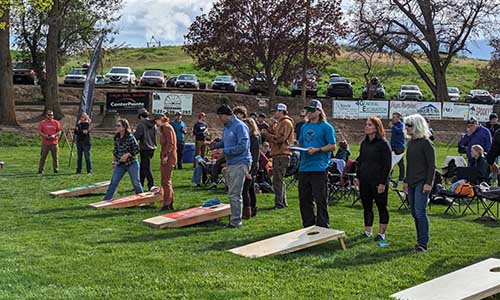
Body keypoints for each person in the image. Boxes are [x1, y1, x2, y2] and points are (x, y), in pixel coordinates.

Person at [297, 100, 336, 228]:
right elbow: (302, 143)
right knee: (304, 198)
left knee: (320, 198)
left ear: (319, 111)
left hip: (319, 166)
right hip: (304, 166)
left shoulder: (326, 127)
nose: (309, 112)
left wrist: (318, 150)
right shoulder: (304, 127)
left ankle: (323, 225)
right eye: (308, 110)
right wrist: (295, 147)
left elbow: (332, 146)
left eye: (312, 110)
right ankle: (308, 224)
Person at [211, 105, 252, 228]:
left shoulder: (239, 126)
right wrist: (216, 145)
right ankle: (235, 218)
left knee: (235, 194)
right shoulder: (227, 127)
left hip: (240, 162)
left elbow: (243, 146)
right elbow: (225, 142)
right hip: (231, 163)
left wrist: (225, 151)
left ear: (226, 115)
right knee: (232, 193)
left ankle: (236, 222)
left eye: (220, 116)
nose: (219, 119)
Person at [354, 117, 392, 241]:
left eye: (370, 125)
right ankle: (368, 231)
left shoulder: (383, 144)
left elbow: (387, 165)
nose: (366, 126)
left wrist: (382, 183)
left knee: (381, 206)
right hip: (365, 180)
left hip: (378, 181)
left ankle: (381, 233)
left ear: (376, 128)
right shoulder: (364, 143)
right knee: (367, 206)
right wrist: (357, 177)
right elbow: (361, 161)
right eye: (366, 124)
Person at [403, 114, 435, 252]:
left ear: (417, 126)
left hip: (422, 182)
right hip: (411, 182)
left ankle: (423, 243)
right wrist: (405, 181)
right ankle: (419, 239)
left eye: (409, 125)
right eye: (406, 125)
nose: (407, 128)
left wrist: (429, 183)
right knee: (414, 212)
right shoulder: (410, 143)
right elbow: (409, 164)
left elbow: (431, 165)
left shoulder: (426, 143)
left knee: (420, 211)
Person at [262, 103, 295, 209]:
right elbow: (274, 133)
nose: (274, 113)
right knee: (279, 179)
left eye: (276, 111)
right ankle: (282, 202)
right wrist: (271, 126)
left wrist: (267, 135)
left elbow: (280, 138)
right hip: (279, 154)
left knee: (277, 180)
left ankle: (279, 203)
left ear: (282, 111)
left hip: (282, 154)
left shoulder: (285, 122)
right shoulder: (280, 123)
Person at [103, 119, 143, 200]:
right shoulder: (117, 137)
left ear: (124, 127)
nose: (116, 127)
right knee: (113, 182)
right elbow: (115, 151)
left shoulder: (130, 137)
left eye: (118, 126)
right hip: (120, 164)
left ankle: (141, 199)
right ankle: (106, 200)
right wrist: (114, 162)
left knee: (136, 183)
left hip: (131, 163)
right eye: (116, 125)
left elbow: (137, 149)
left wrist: (128, 154)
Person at [156, 115, 177, 211]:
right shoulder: (165, 128)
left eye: (157, 120)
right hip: (167, 156)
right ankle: (169, 201)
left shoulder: (166, 127)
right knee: (166, 180)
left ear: (161, 120)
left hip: (168, 157)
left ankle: (167, 203)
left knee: (166, 181)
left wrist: (166, 156)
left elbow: (170, 143)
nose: (156, 123)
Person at [134, 108, 157, 191]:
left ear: (140, 116)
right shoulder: (153, 124)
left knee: (146, 168)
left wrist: (133, 133)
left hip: (145, 148)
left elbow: (137, 136)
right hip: (152, 148)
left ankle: (151, 185)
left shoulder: (141, 124)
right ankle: (140, 183)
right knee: (143, 167)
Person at [242, 118, 261, 218]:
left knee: (245, 189)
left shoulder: (254, 138)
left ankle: (247, 210)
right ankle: (253, 209)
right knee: (250, 189)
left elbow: (255, 155)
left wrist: (251, 171)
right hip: (249, 165)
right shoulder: (248, 137)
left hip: (252, 166)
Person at [38, 110, 63, 174]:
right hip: (45, 143)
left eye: (51, 115)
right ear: (46, 115)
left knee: (55, 157)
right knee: (43, 157)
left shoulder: (56, 122)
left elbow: (59, 131)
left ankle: (56, 169)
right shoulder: (42, 123)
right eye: (49, 115)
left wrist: (54, 135)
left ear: (53, 116)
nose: (50, 116)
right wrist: (45, 136)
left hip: (54, 143)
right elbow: (40, 131)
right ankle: (41, 170)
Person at [390, 112, 405, 185]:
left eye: (394, 117)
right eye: (392, 117)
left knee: (400, 162)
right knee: (390, 161)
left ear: (398, 118)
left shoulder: (402, 125)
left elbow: (400, 131)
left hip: (399, 146)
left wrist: (393, 127)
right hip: (393, 146)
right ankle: (389, 176)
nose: (392, 119)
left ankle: (402, 177)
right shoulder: (395, 125)